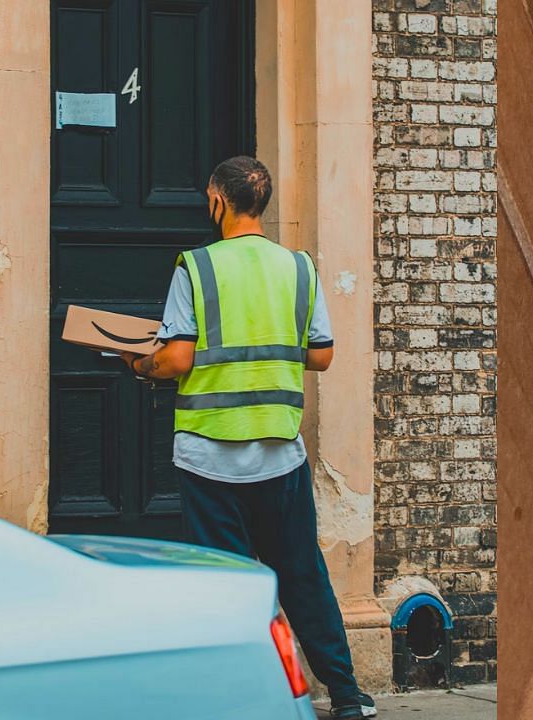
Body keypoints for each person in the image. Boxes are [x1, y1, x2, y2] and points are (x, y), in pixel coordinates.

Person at [121, 156, 376, 719]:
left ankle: (245, 699)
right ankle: (348, 695)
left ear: (217, 199)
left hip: (210, 455)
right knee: (304, 578)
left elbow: (178, 358)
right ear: (261, 204)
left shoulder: (197, 267)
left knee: (229, 586)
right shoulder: (300, 268)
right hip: (280, 454)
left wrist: (140, 365)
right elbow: (323, 355)